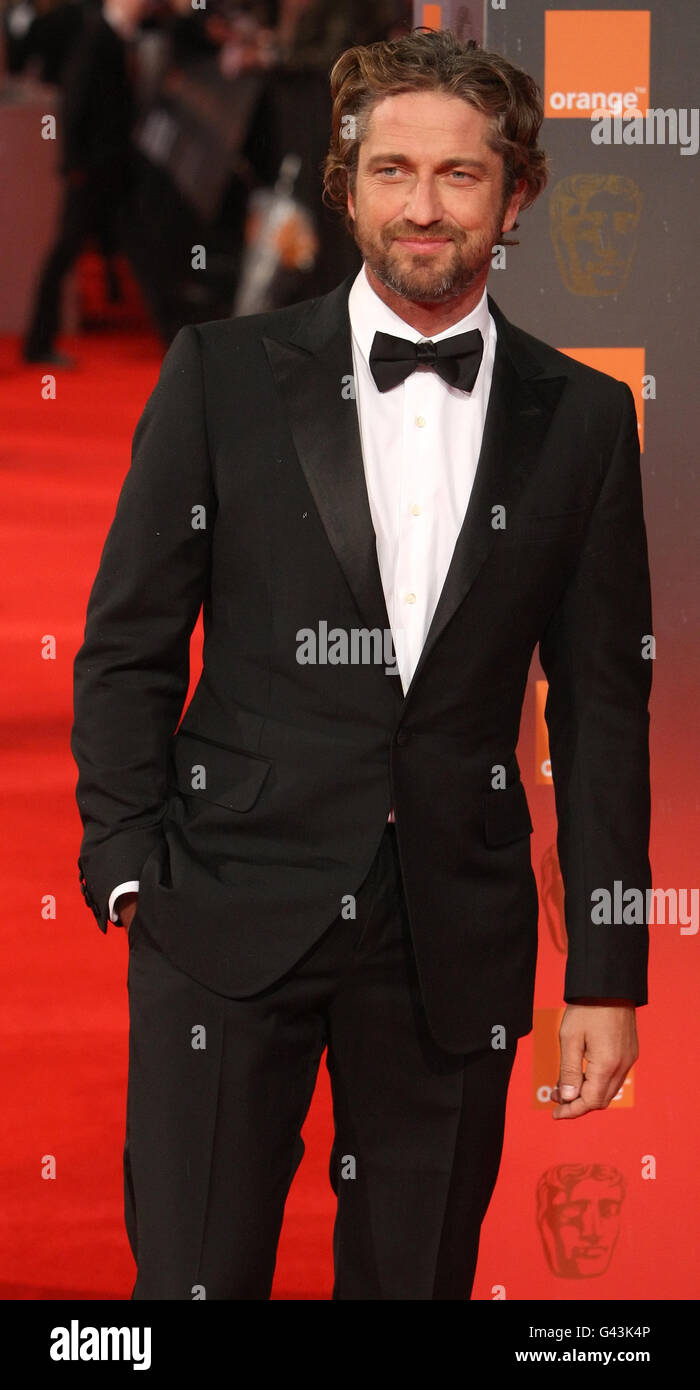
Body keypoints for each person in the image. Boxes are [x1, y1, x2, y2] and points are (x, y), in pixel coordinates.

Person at [71, 28, 653, 1300]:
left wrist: (606, 969)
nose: (423, 206)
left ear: (516, 193)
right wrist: (126, 866)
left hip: (450, 933)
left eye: (458, 175)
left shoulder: (587, 421)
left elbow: (605, 705)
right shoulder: (219, 375)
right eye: (392, 170)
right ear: (344, 188)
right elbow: (127, 642)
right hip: (223, 904)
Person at [22, 0, 146, 365]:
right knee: (64, 252)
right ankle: (37, 342)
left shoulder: (117, 38)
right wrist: (73, 164)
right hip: (90, 171)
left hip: (110, 168)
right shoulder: (95, 37)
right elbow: (73, 101)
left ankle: (175, 328)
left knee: (139, 246)